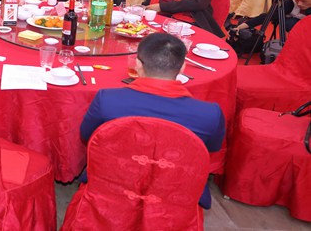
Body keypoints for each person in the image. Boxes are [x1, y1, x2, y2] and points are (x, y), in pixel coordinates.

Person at [80, 33, 225, 209]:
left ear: (138, 64)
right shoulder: (209, 114)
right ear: (182, 68)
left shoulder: (107, 100)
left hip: (113, 183)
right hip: (175, 193)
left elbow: (87, 135)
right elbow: (210, 149)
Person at [235, 0, 311, 33]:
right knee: (289, 23)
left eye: (304, 1)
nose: (299, 4)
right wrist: (242, 26)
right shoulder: (290, 4)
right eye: (297, 0)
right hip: (293, 25)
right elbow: (268, 16)